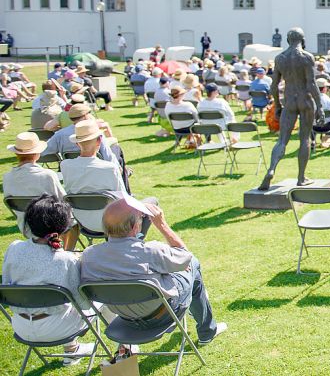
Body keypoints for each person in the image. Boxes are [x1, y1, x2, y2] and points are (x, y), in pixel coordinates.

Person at [80, 199, 227, 346]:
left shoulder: (89, 256)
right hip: (163, 315)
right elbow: (186, 257)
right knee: (193, 263)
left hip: (125, 319)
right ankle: (207, 330)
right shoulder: (151, 251)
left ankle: (198, 309)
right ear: (135, 226)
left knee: (177, 271)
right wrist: (161, 224)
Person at [2, 196, 102, 364]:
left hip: (21, 326)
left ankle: (73, 350)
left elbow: (8, 286)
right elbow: (84, 304)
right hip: (57, 328)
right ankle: (126, 348)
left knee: (62, 303)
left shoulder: (14, 248)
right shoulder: (66, 261)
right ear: (62, 227)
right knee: (101, 300)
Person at [3, 132, 69, 241]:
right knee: (72, 220)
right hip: (50, 225)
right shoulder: (47, 175)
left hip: (25, 225)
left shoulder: (7, 177)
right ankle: (65, 251)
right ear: (38, 154)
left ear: (16, 154)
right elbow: (64, 201)